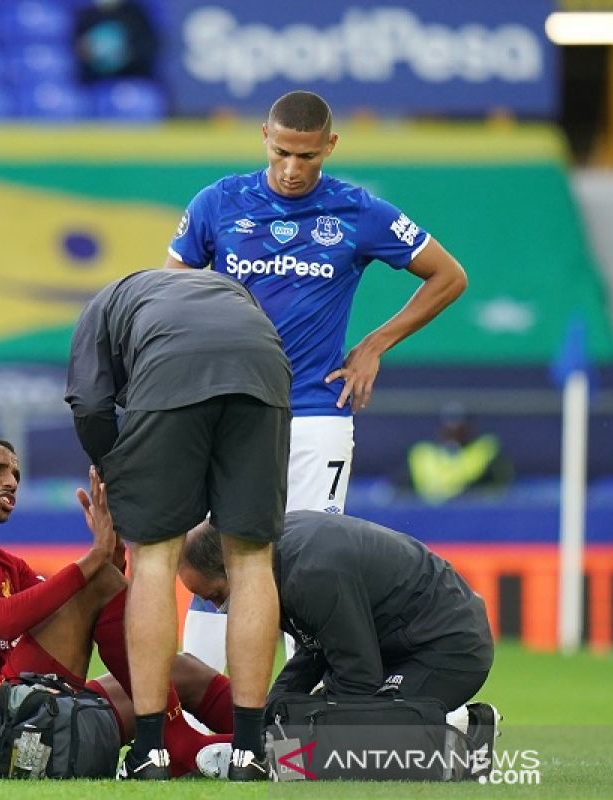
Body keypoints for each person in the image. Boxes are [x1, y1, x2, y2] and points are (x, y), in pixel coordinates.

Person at [167, 89, 468, 671]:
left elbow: (448, 276)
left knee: (306, 560)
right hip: (230, 412)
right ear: (264, 137)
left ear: (330, 146)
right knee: (214, 556)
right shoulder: (218, 203)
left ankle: (301, 715)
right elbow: (169, 292)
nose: (292, 168)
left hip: (316, 414)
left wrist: (374, 344)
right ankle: (204, 720)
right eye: (282, 152)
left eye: (307, 156)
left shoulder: (359, 212)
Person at [0, 435, 235, 778]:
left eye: (16, 474)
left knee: (182, 670)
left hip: (33, 710)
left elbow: (79, 611)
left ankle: (277, 744)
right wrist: (94, 563)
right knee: (96, 582)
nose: (11, 481)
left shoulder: (4, 565)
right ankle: (179, 745)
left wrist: (111, 559)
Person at [65, 267, 292, 780]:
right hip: (263, 368)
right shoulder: (229, 290)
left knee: (153, 558)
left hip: (171, 372)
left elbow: (91, 404)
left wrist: (111, 468)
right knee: (253, 559)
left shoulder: (101, 306)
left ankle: (151, 749)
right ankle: (250, 751)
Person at [179, 509, 498, 777]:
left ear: (231, 566)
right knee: (298, 717)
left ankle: (465, 736)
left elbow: (358, 679)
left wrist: (298, 737)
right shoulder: (274, 555)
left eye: (218, 597)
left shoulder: (311, 574)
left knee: (349, 739)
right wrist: (273, 716)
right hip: (402, 645)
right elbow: (314, 649)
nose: (221, 609)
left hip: (447, 649)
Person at [401, 403, 514, 504]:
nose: (454, 433)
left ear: (469, 429)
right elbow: (403, 489)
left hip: (471, 511)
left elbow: (501, 488)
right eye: (449, 428)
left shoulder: (485, 451)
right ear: (441, 429)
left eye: (460, 429)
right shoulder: (422, 453)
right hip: (429, 513)